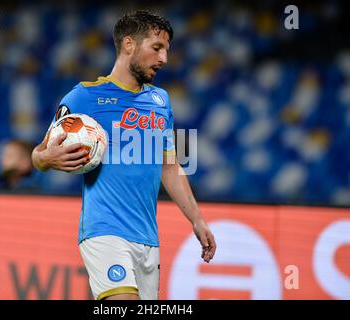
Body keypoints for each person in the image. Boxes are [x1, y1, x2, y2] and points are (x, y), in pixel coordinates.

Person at [32, 10, 216, 300]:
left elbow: (170, 165)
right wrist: (45, 160)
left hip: (147, 238)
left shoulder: (162, 101)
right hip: (104, 230)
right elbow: (38, 153)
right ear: (129, 45)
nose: (164, 59)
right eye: (157, 48)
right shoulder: (83, 96)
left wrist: (197, 219)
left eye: (167, 50)